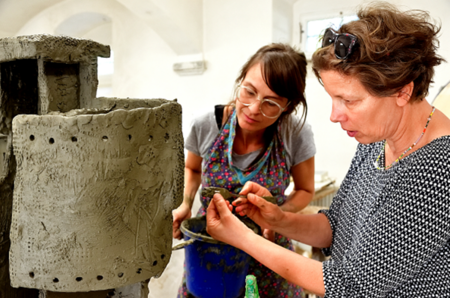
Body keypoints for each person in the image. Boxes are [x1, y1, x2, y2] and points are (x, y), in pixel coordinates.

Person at [206, 2, 450, 297]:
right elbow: (334, 227)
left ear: (402, 91)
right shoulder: (376, 141)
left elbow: (349, 285)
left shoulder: (438, 169)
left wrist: (243, 238)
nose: (335, 115)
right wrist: (277, 219)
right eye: (333, 98)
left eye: (349, 101)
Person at [172, 43, 316, 297]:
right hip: (211, 247)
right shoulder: (206, 124)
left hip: (269, 249)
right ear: (240, 81)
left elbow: (305, 190)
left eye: (270, 103)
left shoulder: (294, 133)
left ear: (288, 107)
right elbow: (192, 169)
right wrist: (185, 203)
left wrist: (277, 215)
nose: (252, 109)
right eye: (248, 91)